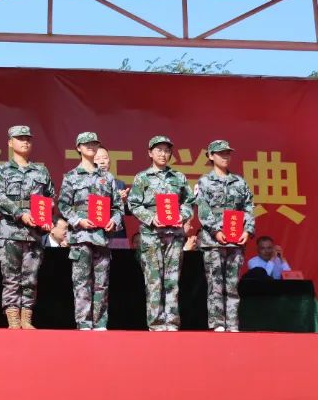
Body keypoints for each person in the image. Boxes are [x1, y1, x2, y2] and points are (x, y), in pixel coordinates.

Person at [127, 135, 194, 331]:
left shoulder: (178, 177)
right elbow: (133, 203)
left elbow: (189, 202)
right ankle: (156, 323)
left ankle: (171, 321)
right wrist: (150, 218)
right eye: (159, 150)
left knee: (172, 279)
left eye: (167, 150)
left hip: (174, 234)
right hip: (151, 235)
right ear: (150, 153)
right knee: (154, 279)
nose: (163, 154)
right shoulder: (142, 177)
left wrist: (182, 215)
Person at [0, 125, 54, 330]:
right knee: (11, 277)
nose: (25, 142)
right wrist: (20, 213)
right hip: (10, 231)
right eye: (20, 138)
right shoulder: (2, 170)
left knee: (30, 277)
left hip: (34, 233)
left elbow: (50, 197)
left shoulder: (41, 170)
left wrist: (47, 215)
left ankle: (26, 318)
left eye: (28, 138)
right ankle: (13, 319)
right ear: (10, 143)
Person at [58, 132, 123, 331]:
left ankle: (100, 322)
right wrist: (78, 220)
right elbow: (63, 205)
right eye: (86, 144)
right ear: (78, 147)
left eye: (94, 144)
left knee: (102, 283)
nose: (91, 147)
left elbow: (117, 206)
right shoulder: (71, 176)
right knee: (81, 282)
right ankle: (84, 322)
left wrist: (114, 220)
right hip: (81, 236)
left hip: (102, 237)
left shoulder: (107, 177)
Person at [195, 140, 255, 332]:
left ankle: (232, 323)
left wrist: (248, 230)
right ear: (211, 156)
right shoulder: (204, 182)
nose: (225, 156)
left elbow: (248, 207)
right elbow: (203, 209)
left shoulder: (239, 182)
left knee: (232, 284)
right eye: (221, 153)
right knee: (215, 284)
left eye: (228, 153)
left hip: (236, 240)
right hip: (213, 241)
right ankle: (217, 323)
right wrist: (216, 230)